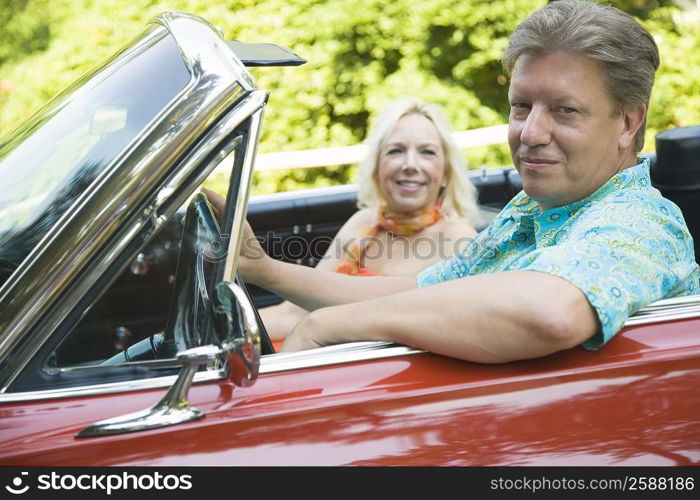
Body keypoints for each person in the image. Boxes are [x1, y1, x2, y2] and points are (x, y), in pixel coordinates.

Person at [231, 0, 700, 363]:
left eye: (565, 110)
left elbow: (549, 313)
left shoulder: (642, 223)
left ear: (627, 122)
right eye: (521, 107)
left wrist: (331, 326)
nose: (530, 134)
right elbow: (424, 291)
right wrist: (259, 268)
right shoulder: (530, 212)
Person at [209, 98, 478, 341]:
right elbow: (293, 315)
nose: (410, 164)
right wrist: (213, 333)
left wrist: (262, 269)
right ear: (376, 167)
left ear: (445, 172)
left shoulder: (459, 239)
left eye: (427, 152)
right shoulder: (363, 223)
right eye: (395, 150)